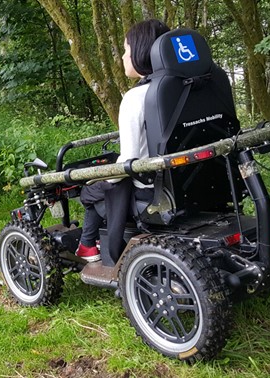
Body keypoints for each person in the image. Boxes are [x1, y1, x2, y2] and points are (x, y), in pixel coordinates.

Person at [76, 19, 169, 263]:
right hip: (190, 184)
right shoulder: (192, 87)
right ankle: (88, 244)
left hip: (152, 193)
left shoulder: (136, 97)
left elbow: (127, 162)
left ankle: (87, 245)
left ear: (140, 52)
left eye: (126, 50)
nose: (123, 57)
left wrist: (100, 177)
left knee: (90, 191)